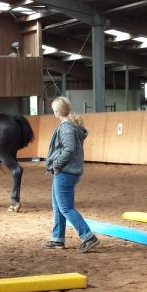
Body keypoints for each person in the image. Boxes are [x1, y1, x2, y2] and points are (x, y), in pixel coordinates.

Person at [43, 96, 100, 253]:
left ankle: (88, 237)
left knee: (66, 208)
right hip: (68, 172)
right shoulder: (72, 125)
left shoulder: (66, 127)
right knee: (58, 207)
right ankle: (57, 239)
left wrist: (56, 164)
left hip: (65, 172)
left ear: (56, 111)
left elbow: (69, 149)